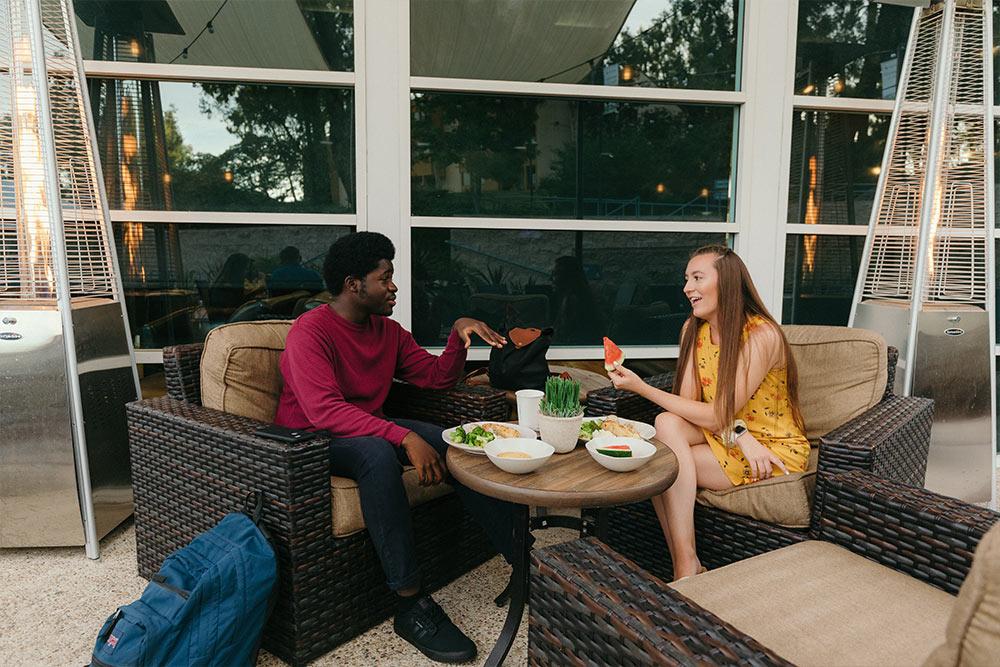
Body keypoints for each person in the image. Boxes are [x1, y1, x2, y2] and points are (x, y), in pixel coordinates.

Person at [274, 232, 515, 664]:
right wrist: (403, 437)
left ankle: (521, 561)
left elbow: (435, 378)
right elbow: (324, 410)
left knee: (452, 442)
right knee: (376, 454)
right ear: (354, 284)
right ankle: (410, 604)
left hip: (367, 426)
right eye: (385, 278)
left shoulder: (388, 332)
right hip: (308, 441)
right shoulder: (310, 332)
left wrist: (458, 337)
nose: (394, 287)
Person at [606, 245, 810, 581]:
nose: (687, 288)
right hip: (731, 436)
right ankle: (687, 564)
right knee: (665, 422)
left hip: (771, 449)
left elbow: (716, 416)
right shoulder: (694, 331)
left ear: (727, 282)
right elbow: (688, 410)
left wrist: (641, 387)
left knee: (660, 463)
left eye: (697, 277)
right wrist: (739, 435)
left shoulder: (761, 335)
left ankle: (685, 567)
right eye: (686, 279)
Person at [550, 255, 605, 344]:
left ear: (566, 276)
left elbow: (566, 335)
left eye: (556, 274)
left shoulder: (574, 301)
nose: (552, 279)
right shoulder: (571, 298)